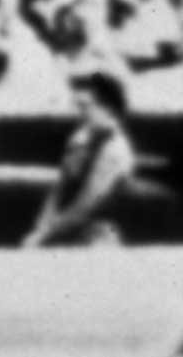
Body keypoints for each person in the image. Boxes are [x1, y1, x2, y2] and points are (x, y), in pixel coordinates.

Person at [25, 72, 137, 248]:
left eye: (85, 107)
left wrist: (46, 234)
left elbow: (85, 204)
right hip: (64, 226)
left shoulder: (116, 150)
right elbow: (59, 189)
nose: (78, 113)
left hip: (99, 232)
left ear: (107, 108)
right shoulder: (80, 138)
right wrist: (40, 226)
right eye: (77, 106)